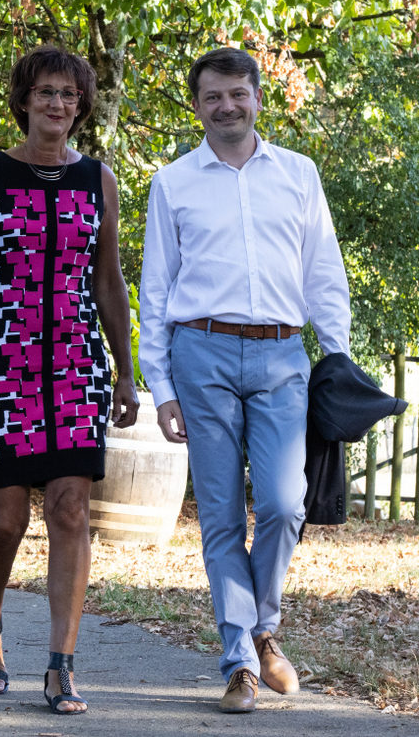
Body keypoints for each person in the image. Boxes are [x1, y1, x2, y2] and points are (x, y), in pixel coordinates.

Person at [139, 47, 351, 714]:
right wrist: (162, 386)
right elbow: (154, 289)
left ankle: (264, 626)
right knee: (223, 514)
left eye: (238, 94)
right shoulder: (172, 182)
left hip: (282, 354)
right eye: (213, 97)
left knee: (287, 503)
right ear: (197, 106)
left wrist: (337, 359)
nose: (226, 106)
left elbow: (324, 272)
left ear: (258, 96)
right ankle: (241, 658)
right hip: (199, 352)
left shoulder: (298, 174)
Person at [0, 45, 138, 715]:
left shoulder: (98, 181)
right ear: (24, 100)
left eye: (69, 96)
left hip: (76, 361)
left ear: (80, 107)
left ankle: (61, 663)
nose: (57, 104)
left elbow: (107, 281)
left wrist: (125, 371)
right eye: (46, 92)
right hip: (2, 358)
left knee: (71, 509)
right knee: (5, 520)